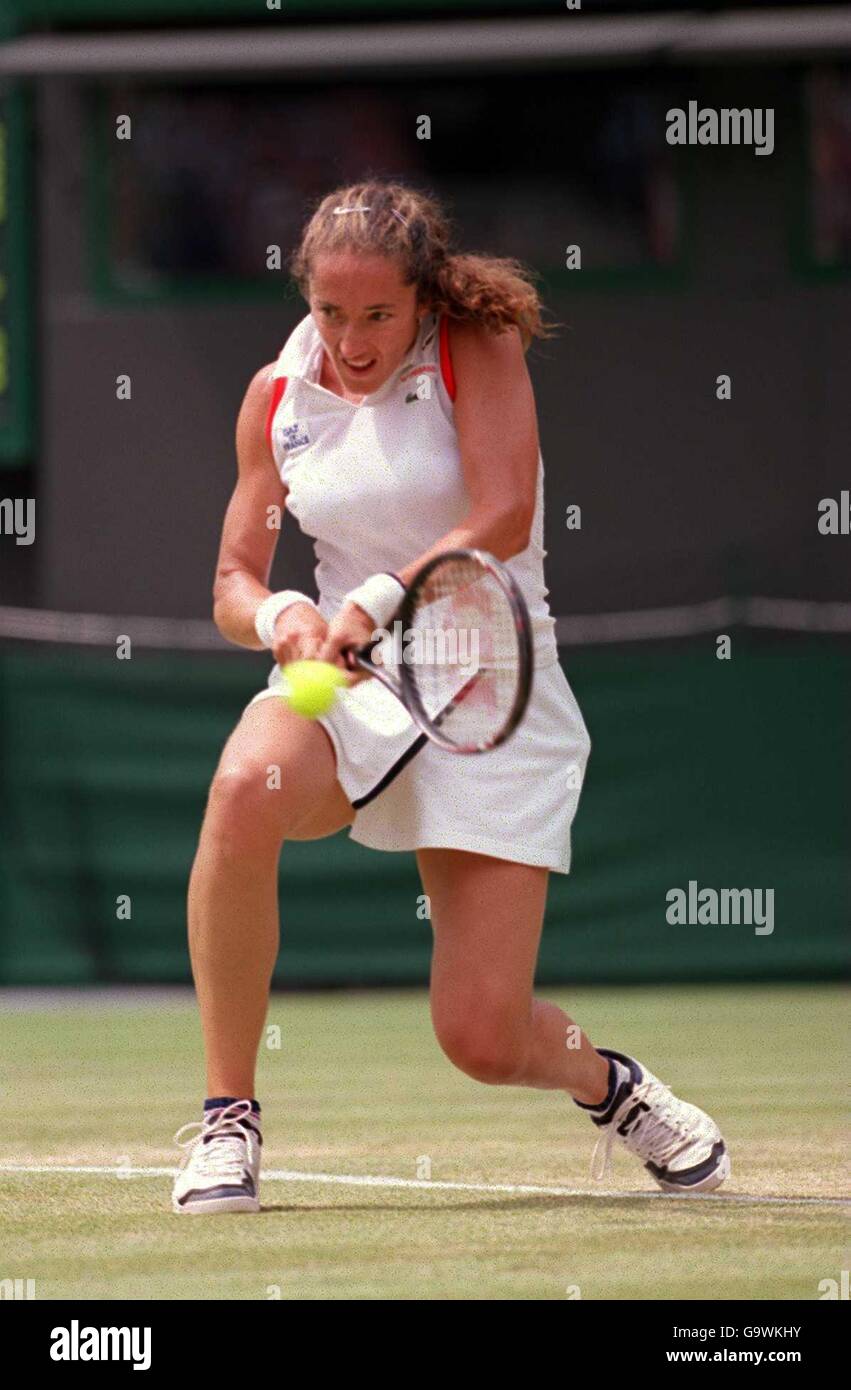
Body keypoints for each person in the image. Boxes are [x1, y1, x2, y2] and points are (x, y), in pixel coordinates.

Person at [171, 180, 729, 1214]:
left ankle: (611, 1086)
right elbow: (230, 583)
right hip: (357, 689)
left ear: (422, 299)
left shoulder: (474, 351)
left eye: (376, 313)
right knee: (244, 784)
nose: (350, 338)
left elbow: (506, 511)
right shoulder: (275, 395)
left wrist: (376, 600)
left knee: (480, 1036)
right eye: (330, 312)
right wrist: (285, 616)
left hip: (490, 688)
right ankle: (226, 1119)